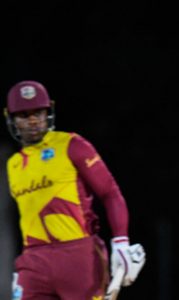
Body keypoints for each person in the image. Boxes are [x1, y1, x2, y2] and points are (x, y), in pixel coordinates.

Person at [4, 80, 146, 300]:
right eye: (23, 115)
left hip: (79, 256)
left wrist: (120, 242)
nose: (32, 120)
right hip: (33, 260)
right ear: (11, 120)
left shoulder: (71, 144)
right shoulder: (13, 164)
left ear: (48, 113)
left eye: (38, 113)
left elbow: (110, 192)